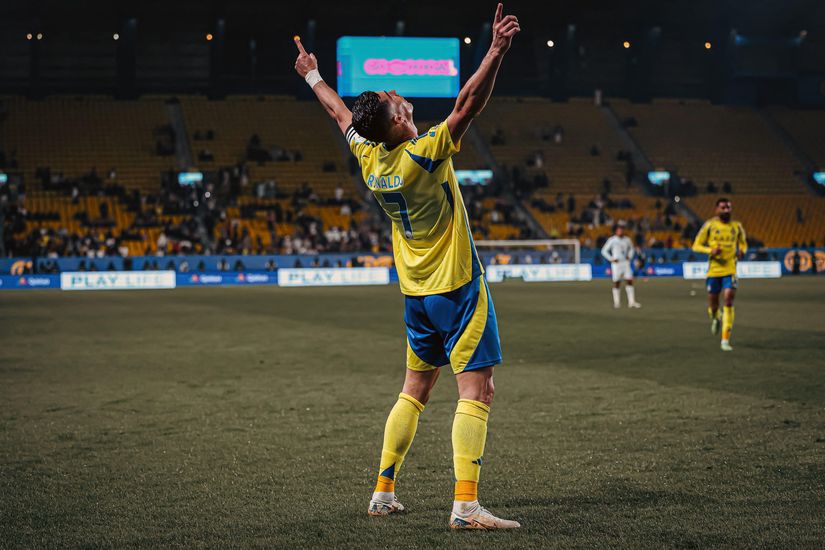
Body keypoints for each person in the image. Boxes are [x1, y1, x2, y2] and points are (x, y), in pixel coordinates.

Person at [293, 2, 520, 530]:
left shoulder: (371, 157)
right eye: (393, 96)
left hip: (416, 292)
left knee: (414, 390)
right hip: (457, 287)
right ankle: (466, 506)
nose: (396, 91)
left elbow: (339, 114)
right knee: (478, 391)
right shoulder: (423, 153)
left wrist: (312, 76)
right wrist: (495, 51)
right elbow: (467, 104)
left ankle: (383, 491)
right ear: (398, 119)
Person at [691, 198, 747, 352]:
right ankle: (715, 317)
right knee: (713, 304)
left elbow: (743, 243)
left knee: (728, 300)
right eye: (723, 207)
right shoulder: (709, 226)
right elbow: (696, 245)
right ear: (716, 210)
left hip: (730, 270)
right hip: (714, 271)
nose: (726, 210)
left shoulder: (737, 226)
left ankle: (725, 340)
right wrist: (711, 251)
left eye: (728, 207)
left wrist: (742, 251)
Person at [601, 221, 641, 309]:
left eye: (621, 230)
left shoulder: (627, 239)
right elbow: (604, 251)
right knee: (617, 282)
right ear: (616, 231)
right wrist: (611, 259)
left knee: (629, 280)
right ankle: (617, 303)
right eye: (619, 230)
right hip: (616, 263)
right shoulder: (612, 240)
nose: (620, 231)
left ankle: (631, 302)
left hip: (625, 263)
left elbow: (632, 249)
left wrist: (629, 256)